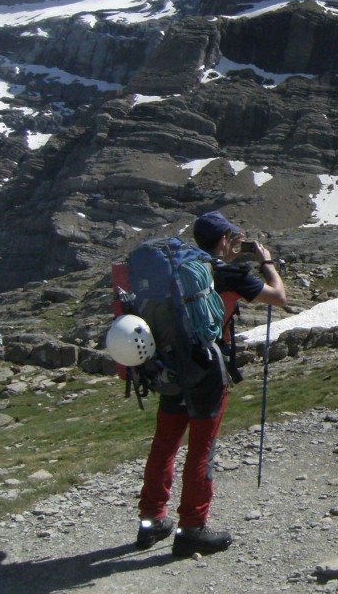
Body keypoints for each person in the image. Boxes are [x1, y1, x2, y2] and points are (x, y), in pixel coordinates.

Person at [135, 211, 286, 557]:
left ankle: (151, 521)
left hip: (169, 367)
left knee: (164, 444)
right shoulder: (229, 273)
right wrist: (268, 262)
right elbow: (278, 296)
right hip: (206, 370)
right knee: (202, 449)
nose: (238, 246)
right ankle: (192, 528)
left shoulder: (178, 271)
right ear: (223, 241)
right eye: (235, 239)